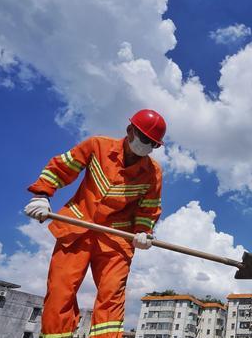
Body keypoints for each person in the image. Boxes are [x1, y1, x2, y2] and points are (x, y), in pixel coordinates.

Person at [24, 109, 166, 338]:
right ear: (130, 131)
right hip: (76, 227)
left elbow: (148, 208)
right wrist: (42, 195)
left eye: (153, 144)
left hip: (116, 239)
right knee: (60, 291)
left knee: (111, 296)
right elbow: (62, 168)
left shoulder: (153, 173)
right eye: (145, 139)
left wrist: (143, 232)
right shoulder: (97, 145)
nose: (147, 146)